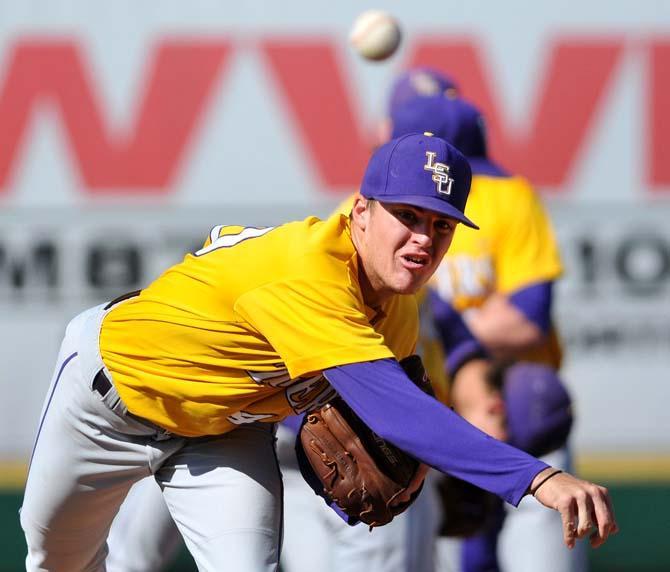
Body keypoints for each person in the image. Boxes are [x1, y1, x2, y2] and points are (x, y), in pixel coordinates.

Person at [21, 133, 617, 572]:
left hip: (225, 429)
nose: (422, 240)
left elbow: (412, 402)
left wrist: (452, 476)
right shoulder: (310, 277)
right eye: (406, 216)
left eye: (440, 226)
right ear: (359, 211)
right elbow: (395, 414)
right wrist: (534, 476)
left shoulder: (399, 300)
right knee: (57, 561)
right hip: (107, 404)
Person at [390, 93, 584, 571]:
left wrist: (441, 331)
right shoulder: (376, 207)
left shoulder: (506, 196)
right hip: (433, 406)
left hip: (513, 403)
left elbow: (526, 320)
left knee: (532, 405)